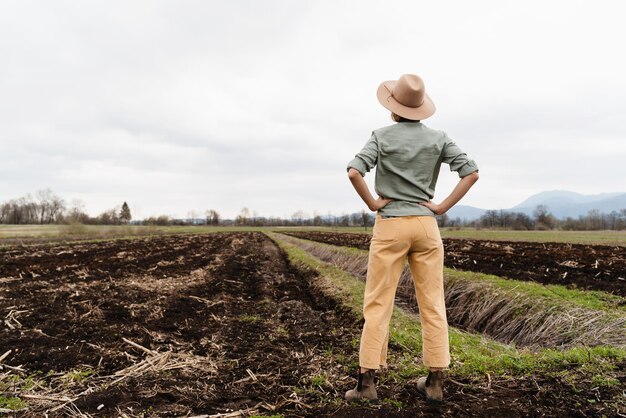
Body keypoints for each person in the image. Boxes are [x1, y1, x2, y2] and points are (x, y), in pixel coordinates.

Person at [344, 74, 479, 403]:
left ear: (393, 108)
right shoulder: (439, 138)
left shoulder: (381, 136)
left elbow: (354, 171)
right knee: (432, 303)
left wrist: (374, 203)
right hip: (425, 225)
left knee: (378, 304)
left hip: (390, 224)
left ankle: (366, 385)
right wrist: (441, 207)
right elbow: (471, 172)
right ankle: (434, 383)